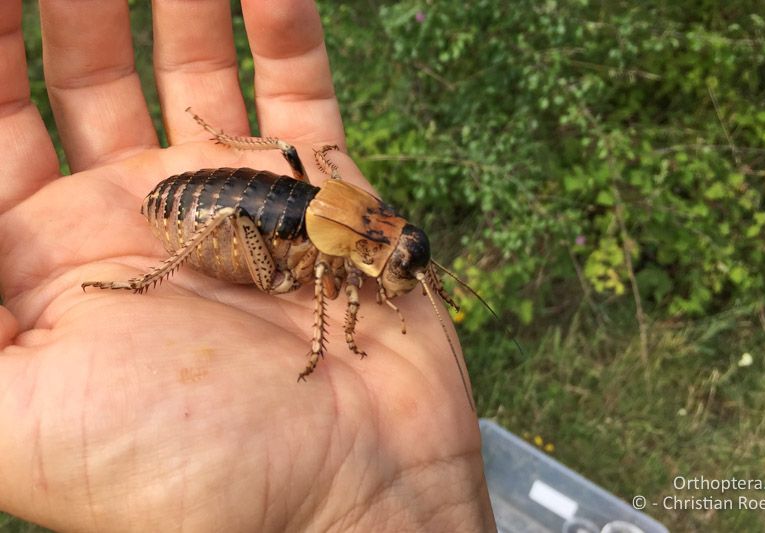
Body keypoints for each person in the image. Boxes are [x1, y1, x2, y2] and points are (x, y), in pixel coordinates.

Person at [0, 1, 496, 530]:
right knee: (258, 223)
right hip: (202, 216)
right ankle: (145, 282)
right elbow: (343, 284)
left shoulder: (367, 228)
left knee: (289, 170)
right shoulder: (348, 258)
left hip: (254, 202)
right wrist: (325, 342)